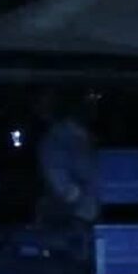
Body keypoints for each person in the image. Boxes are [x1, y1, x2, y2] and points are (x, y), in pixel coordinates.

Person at [33, 88, 101, 229]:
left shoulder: (84, 136)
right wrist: (78, 198)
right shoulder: (57, 138)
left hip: (85, 215)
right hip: (69, 219)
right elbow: (59, 177)